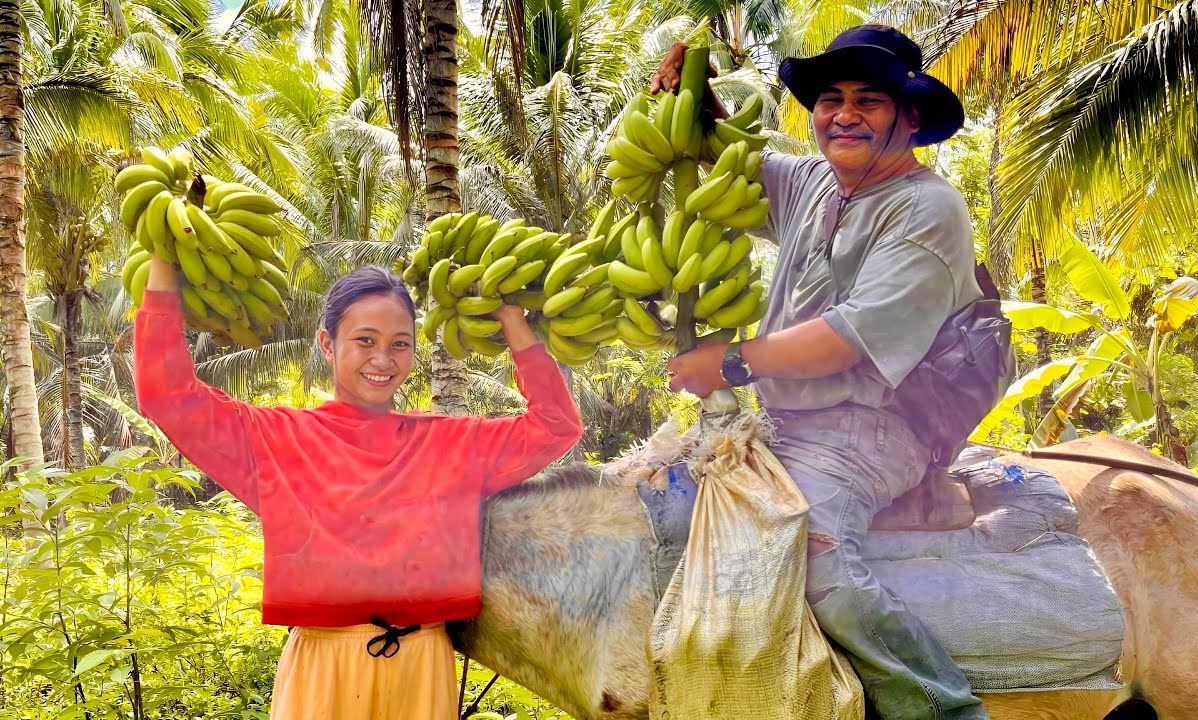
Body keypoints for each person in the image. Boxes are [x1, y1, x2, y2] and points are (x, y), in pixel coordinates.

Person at [658, 24, 989, 720]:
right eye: (830, 99)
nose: (844, 114)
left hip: (871, 432)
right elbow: (722, 158)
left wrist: (730, 362)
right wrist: (692, 96)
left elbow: (847, 339)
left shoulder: (928, 209)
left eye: (868, 101)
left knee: (809, 553)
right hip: (779, 424)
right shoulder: (812, 182)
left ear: (910, 118)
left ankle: (944, 707)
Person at [134, 261, 583, 720]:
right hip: (322, 667)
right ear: (327, 344)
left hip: (422, 664)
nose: (382, 359)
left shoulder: (453, 442)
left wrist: (509, 317)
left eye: (400, 344)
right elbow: (166, 395)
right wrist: (167, 265)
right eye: (365, 340)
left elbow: (556, 426)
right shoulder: (273, 437)